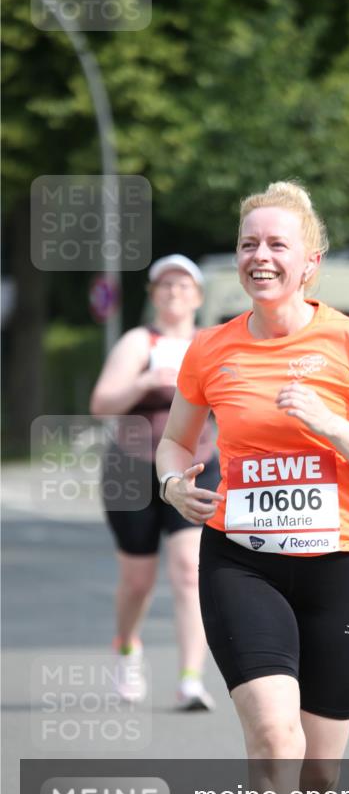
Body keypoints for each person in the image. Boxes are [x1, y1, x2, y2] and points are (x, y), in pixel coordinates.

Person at [156, 182, 349, 794]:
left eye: (275, 245)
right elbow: (175, 439)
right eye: (248, 244)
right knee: (273, 732)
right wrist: (175, 485)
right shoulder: (213, 347)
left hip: (340, 567)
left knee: (318, 772)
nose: (259, 256)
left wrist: (331, 424)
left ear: (309, 263)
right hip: (243, 561)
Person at [90, 254, 219, 711]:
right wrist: (145, 380)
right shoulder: (138, 341)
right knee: (138, 580)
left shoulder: (211, 343)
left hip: (195, 465)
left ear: (198, 297)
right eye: (165, 286)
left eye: (183, 286)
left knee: (189, 570)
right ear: (153, 295)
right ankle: (127, 647)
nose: (174, 293)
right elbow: (102, 403)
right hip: (132, 467)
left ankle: (190, 679)